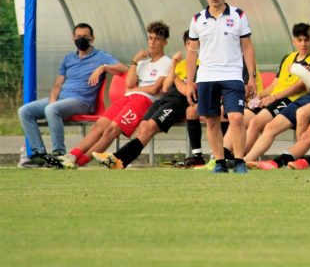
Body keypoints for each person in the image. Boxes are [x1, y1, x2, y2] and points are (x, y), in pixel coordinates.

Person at [59, 21, 171, 168]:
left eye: (157, 39)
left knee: (111, 130)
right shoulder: (143, 63)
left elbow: (155, 89)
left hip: (144, 102)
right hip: (128, 98)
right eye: (150, 38)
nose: (152, 42)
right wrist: (135, 60)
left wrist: (134, 91)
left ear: (164, 42)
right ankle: (72, 156)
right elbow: (130, 83)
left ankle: (80, 162)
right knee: (99, 126)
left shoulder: (167, 62)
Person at [18, 23, 128, 168]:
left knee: (52, 110)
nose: (81, 40)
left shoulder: (101, 56)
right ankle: (39, 154)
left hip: (82, 101)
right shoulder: (68, 58)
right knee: (25, 111)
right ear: (73, 38)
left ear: (92, 39)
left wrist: (103, 67)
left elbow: (124, 68)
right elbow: (58, 84)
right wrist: (52, 99)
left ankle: (59, 155)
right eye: (78, 37)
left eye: (85, 37)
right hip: (61, 98)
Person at [92, 30, 203, 169]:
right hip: (166, 98)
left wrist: (177, 79)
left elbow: (188, 91)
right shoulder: (181, 64)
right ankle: (120, 161)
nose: (193, 46)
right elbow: (166, 86)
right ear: (187, 44)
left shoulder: (204, 65)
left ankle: (118, 157)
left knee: (149, 128)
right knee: (144, 127)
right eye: (190, 43)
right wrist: (174, 65)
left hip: (179, 103)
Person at [185, 0, 257, 174]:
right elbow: (191, 53)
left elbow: (248, 47)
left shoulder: (238, 15)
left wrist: (252, 76)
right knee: (211, 120)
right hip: (206, 77)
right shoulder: (197, 19)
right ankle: (219, 162)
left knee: (236, 117)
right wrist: (190, 82)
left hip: (232, 75)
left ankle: (240, 161)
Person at [242, 23, 310, 154]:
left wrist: (274, 97)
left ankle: (240, 158)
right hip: (272, 98)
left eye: (306, 40)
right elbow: (274, 85)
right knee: (240, 118)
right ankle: (224, 154)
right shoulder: (288, 58)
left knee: (255, 122)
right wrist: (258, 97)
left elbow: (297, 88)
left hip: (288, 100)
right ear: (294, 41)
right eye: (299, 40)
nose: (303, 44)